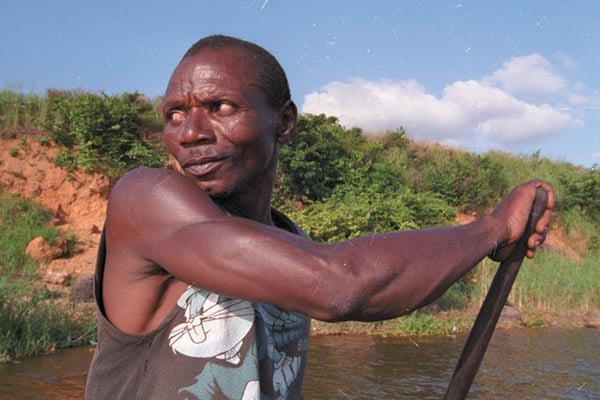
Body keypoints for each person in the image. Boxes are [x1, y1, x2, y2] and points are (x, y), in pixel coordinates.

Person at [85, 35, 554, 400]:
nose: (190, 134)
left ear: (284, 121)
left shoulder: (290, 242)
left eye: (219, 107)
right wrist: (493, 229)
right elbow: (341, 287)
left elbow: (362, 285)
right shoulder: (146, 200)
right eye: (174, 115)